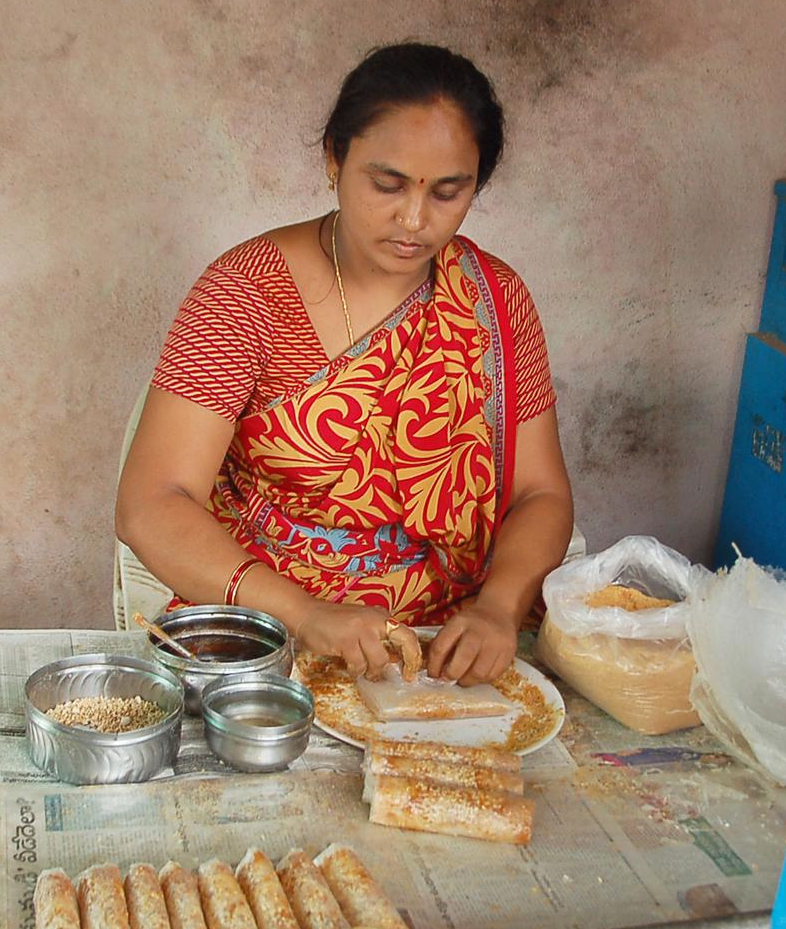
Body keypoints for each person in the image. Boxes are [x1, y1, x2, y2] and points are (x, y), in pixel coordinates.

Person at [115, 43, 573, 686]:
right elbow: (151, 503)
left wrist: (500, 607)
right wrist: (305, 614)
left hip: (452, 646)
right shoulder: (245, 293)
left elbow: (541, 492)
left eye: (449, 191)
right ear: (335, 156)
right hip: (271, 633)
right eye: (386, 184)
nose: (414, 220)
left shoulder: (495, 300)